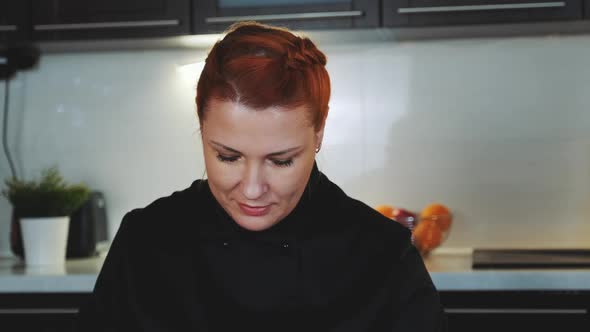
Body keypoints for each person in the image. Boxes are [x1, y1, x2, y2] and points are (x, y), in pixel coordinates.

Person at [76, 21, 447, 331]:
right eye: (227, 157)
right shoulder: (147, 243)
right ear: (201, 126)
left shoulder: (381, 255)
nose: (252, 190)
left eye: (281, 161)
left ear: (319, 132)